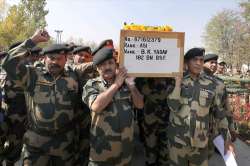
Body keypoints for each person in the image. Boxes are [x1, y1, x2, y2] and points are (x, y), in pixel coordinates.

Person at [1, 29, 90, 166]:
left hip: (64, 144)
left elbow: (97, 65)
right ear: (44, 58)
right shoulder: (32, 75)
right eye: (51, 58)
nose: (55, 62)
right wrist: (33, 40)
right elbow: (8, 63)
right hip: (36, 144)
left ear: (66, 59)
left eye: (59, 59)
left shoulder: (74, 76)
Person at [167, 48, 233, 166]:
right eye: (194, 60)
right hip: (178, 141)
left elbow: (219, 113)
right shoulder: (175, 81)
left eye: (201, 60)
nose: (198, 63)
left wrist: (227, 139)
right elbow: (173, 106)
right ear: (186, 63)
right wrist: (177, 84)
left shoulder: (211, 84)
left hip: (200, 141)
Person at [82, 47, 144, 166]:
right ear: (97, 68)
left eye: (110, 63)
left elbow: (140, 105)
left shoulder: (126, 84)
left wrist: (131, 86)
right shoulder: (92, 85)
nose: (107, 67)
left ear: (116, 65)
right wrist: (116, 84)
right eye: (103, 64)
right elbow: (96, 106)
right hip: (102, 152)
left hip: (125, 151)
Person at [203, 53, 236, 157]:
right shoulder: (195, 81)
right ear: (203, 64)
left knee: (213, 155)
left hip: (217, 128)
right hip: (199, 129)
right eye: (211, 62)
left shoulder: (220, 83)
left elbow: (227, 107)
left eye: (215, 63)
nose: (214, 65)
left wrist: (232, 128)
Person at [139, 78, 173, 166]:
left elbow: (170, 92)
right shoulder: (143, 77)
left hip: (167, 117)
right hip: (150, 118)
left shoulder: (172, 77)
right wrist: (156, 81)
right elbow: (143, 90)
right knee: (150, 144)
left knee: (165, 145)